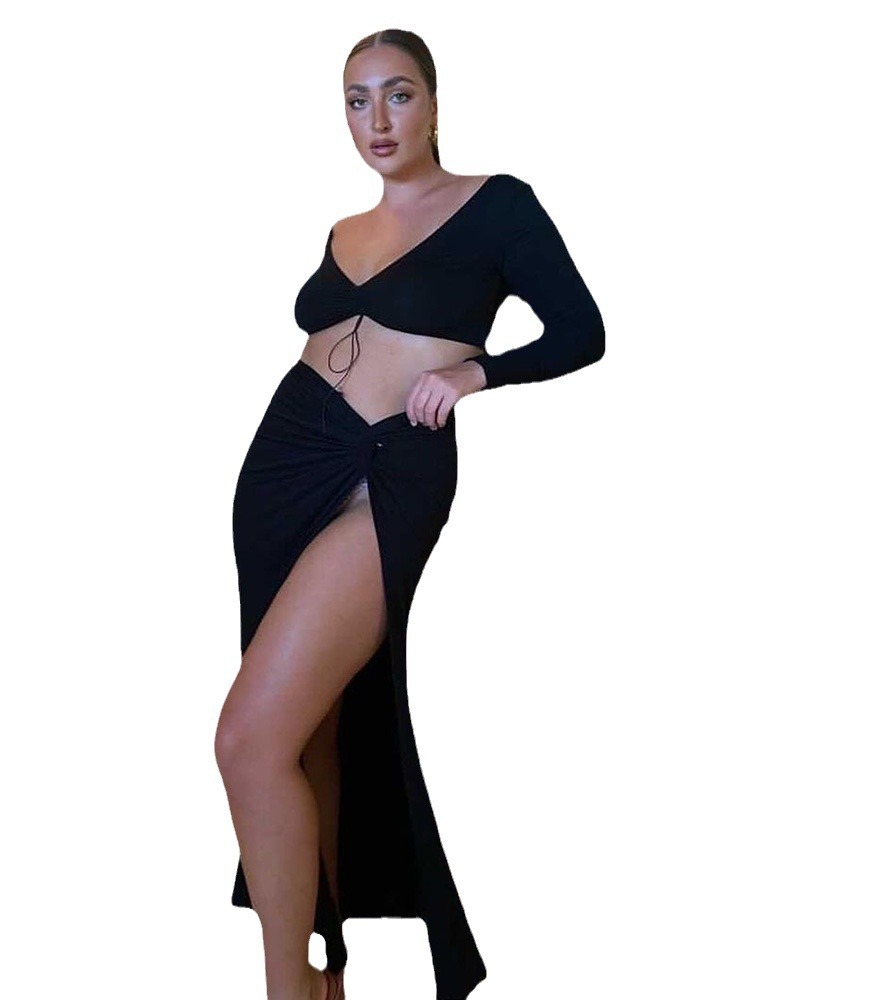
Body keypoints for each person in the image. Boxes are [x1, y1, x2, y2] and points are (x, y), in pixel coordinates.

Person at [215, 27, 605, 1000]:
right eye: (357, 100)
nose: (377, 119)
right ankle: (324, 972)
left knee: (246, 737)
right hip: (285, 470)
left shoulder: (496, 204)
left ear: (434, 103)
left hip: (392, 466)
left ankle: (288, 994)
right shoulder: (341, 231)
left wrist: (478, 373)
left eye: (397, 95)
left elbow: (581, 330)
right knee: (304, 733)